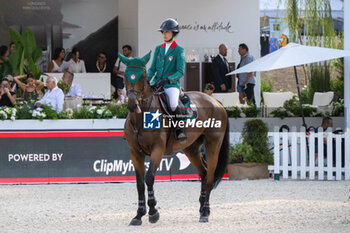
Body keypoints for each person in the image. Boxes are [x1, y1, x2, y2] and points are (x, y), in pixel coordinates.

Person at [148, 18, 186, 141]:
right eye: (163, 32)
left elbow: (180, 71)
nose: (164, 34)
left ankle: (180, 129)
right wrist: (148, 79)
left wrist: (168, 80)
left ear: (173, 33)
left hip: (171, 85)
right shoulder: (158, 48)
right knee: (144, 100)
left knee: (174, 104)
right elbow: (152, 68)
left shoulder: (179, 50)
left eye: (167, 32)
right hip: (156, 82)